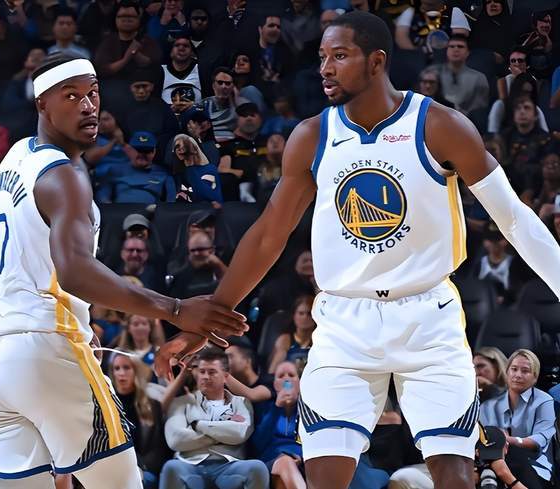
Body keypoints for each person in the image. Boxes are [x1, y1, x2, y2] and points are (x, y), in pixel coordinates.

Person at [156, 11, 560, 489]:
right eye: (322, 57)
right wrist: (209, 318)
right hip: (344, 323)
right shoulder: (312, 136)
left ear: (377, 61)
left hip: (428, 319)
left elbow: (513, 218)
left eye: (340, 56)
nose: (325, 68)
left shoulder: (440, 126)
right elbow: (268, 234)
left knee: (454, 474)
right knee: (325, 475)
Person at [0, 54, 247, 489]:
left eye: (93, 94)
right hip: (41, 352)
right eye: (71, 96)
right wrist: (174, 309)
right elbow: (75, 272)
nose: (88, 106)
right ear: (42, 104)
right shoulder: (64, 176)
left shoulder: (15, 157)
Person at [159, 347, 269, 489]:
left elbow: (240, 433)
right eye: (202, 372)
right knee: (171, 467)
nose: (205, 377)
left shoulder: (241, 402)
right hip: (189, 464)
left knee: (257, 467)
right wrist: (223, 432)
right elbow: (175, 440)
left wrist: (197, 425)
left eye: (212, 372)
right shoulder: (181, 402)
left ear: (225, 376)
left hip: (229, 465)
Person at [479, 349, 556, 488]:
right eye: (514, 369)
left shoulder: (544, 401)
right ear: (507, 372)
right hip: (494, 465)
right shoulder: (488, 406)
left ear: (535, 377)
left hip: (534, 470)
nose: (518, 375)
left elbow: (540, 439)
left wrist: (508, 440)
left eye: (525, 371)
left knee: (511, 451)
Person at [109, 352, 171, 488]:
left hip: (145, 469)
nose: (121, 373)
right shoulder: (106, 406)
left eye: (126, 367)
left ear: (135, 371)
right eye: (116, 368)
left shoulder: (153, 405)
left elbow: (158, 448)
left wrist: (140, 468)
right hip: (114, 468)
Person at [251, 361, 305, 489]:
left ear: (299, 382)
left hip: (303, 460)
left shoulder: (307, 409)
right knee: (286, 462)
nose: (287, 379)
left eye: (291, 375)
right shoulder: (264, 407)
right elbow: (257, 445)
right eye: (281, 376)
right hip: (272, 460)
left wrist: (301, 457)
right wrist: (277, 407)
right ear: (275, 384)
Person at [268, 295, 316, 375]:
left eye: (309, 314)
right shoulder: (285, 340)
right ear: (294, 316)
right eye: (301, 313)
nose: (305, 317)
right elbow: (272, 372)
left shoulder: (320, 340)